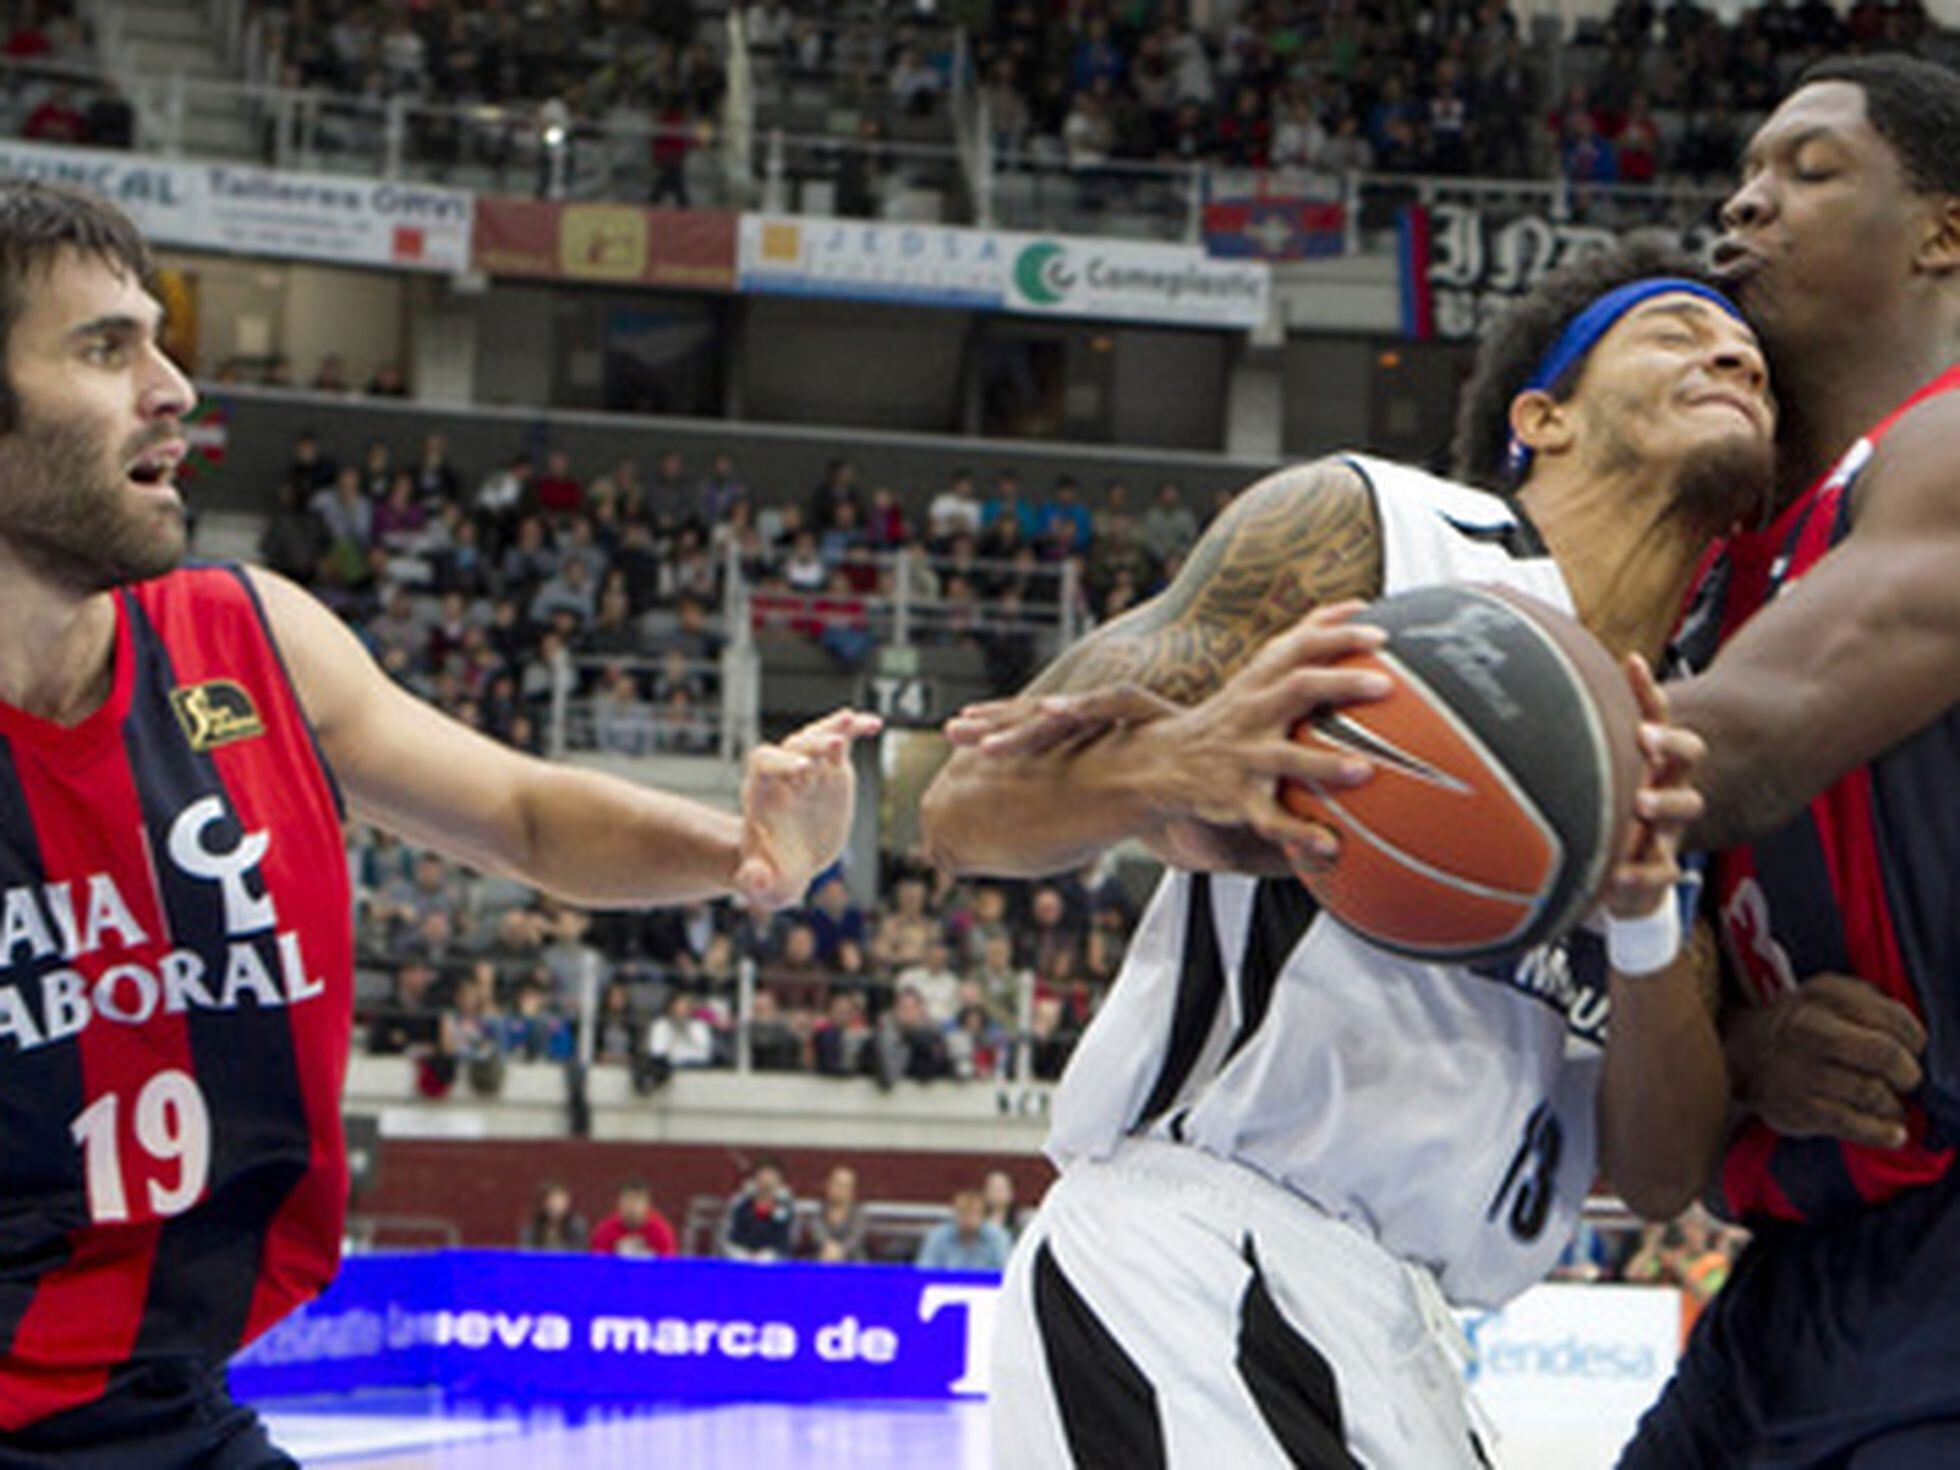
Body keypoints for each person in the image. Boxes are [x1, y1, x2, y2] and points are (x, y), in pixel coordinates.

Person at [0, 180, 879, 1464]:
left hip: (161, 1405)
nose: (174, 387)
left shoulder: (247, 640)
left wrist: (740, 853)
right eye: (105, 347)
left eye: (161, 339)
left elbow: (523, 814)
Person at [922, 241, 1767, 1467]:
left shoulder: (1691, 736)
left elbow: (1655, 1175)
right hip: (1202, 1260)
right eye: (1678, 330)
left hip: (1415, 1328)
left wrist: (1642, 921)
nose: (1731, 351)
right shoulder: (1381, 532)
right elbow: (961, 809)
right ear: (1545, 416)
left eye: (1748, 355)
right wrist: (1169, 760)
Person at [1612, 54, 1960, 1467]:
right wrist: (1749, 1052)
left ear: (1947, 229)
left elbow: (1725, 757)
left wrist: (1340, 738)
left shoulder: (1944, 447)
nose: (1747, 203)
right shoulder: (1740, 552)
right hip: (1797, 1276)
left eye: (1808, 171)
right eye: (1745, 173)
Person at [914, 1189, 1012, 1272]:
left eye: (973, 1213)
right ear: (954, 1213)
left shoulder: (998, 1237)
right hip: (945, 1290)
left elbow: (1006, 1273)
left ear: (983, 1215)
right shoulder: (938, 1236)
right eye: (962, 1212)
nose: (967, 1218)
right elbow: (924, 1271)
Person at [720, 1158, 797, 1262]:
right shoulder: (740, 1204)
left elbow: (787, 1240)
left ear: (779, 1180)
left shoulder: (786, 1207)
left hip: (774, 1262)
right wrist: (742, 1254)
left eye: (771, 1175)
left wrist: (767, 1256)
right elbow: (728, 1236)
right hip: (740, 1258)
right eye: (763, 1175)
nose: (766, 1180)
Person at [589, 1181, 678, 1259]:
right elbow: (597, 1265)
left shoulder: (661, 1230)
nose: (632, 1208)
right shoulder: (605, 1230)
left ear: (647, 1205)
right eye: (628, 1201)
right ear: (619, 1204)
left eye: (637, 1202)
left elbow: (668, 1268)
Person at [807, 1164, 866, 1262]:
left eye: (845, 1186)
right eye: (836, 1184)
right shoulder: (818, 1213)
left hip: (853, 1262)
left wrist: (840, 1251)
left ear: (852, 1191)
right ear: (828, 1186)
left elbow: (855, 1239)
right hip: (823, 1258)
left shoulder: (860, 1215)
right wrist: (829, 1249)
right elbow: (818, 1235)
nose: (840, 1190)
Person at [520, 1180, 589, 1250]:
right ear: (544, 1203)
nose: (556, 1205)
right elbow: (526, 1255)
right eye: (552, 1201)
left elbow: (579, 1255)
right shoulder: (532, 1230)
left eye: (560, 1201)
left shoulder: (577, 1226)